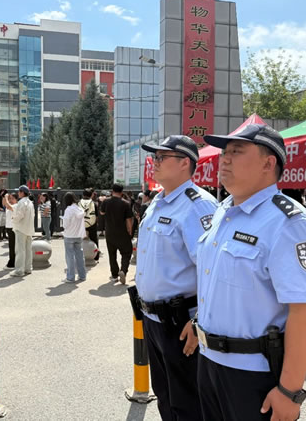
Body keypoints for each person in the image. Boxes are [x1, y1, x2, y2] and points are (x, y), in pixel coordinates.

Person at [191, 124, 306, 420]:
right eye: (224, 152)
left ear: (268, 163)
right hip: (208, 361)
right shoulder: (224, 211)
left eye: (236, 151)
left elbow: (305, 311)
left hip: (252, 373)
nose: (225, 158)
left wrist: (290, 391)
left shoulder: (288, 222)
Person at [132, 135, 218, 420]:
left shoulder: (198, 206)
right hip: (153, 319)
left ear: (184, 163)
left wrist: (200, 321)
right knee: (165, 396)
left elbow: (212, 270)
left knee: (187, 402)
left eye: (161, 157)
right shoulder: (158, 202)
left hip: (182, 323)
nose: (154, 163)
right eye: (154, 157)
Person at [100, 183, 133, 284]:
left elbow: (102, 213)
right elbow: (129, 219)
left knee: (112, 254)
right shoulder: (126, 203)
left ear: (112, 191)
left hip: (110, 232)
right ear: (122, 192)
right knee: (126, 253)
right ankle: (123, 270)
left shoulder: (106, 202)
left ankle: (114, 275)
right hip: (122, 232)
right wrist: (130, 231)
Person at [61, 192, 87, 283]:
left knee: (70, 257)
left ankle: (70, 277)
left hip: (69, 235)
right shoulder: (79, 209)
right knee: (80, 256)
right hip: (78, 235)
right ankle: (82, 275)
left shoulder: (68, 210)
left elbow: (65, 224)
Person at [10, 185, 35, 277]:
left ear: (22, 192)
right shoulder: (30, 202)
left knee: (20, 250)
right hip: (29, 229)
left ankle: (19, 270)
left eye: (19, 191)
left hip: (21, 228)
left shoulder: (21, 202)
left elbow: (20, 215)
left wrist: (13, 218)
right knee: (28, 250)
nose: (18, 193)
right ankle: (28, 268)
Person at [78, 189, 99, 261]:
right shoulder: (93, 203)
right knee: (94, 239)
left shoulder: (79, 203)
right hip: (91, 224)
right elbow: (96, 216)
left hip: (81, 224)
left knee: (80, 241)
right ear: (91, 195)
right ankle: (96, 256)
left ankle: (80, 256)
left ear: (83, 195)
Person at [2, 193, 18, 270]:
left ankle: (12, 263)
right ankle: (12, 261)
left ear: (16, 200)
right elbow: (4, 204)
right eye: (10, 199)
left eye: (12, 198)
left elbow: (8, 206)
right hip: (9, 228)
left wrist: (6, 197)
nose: (10, 200)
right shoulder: (9, 205)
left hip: (13, 228)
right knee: (11, 246)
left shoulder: (16, 206)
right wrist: (4, 197)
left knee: (13, 246)